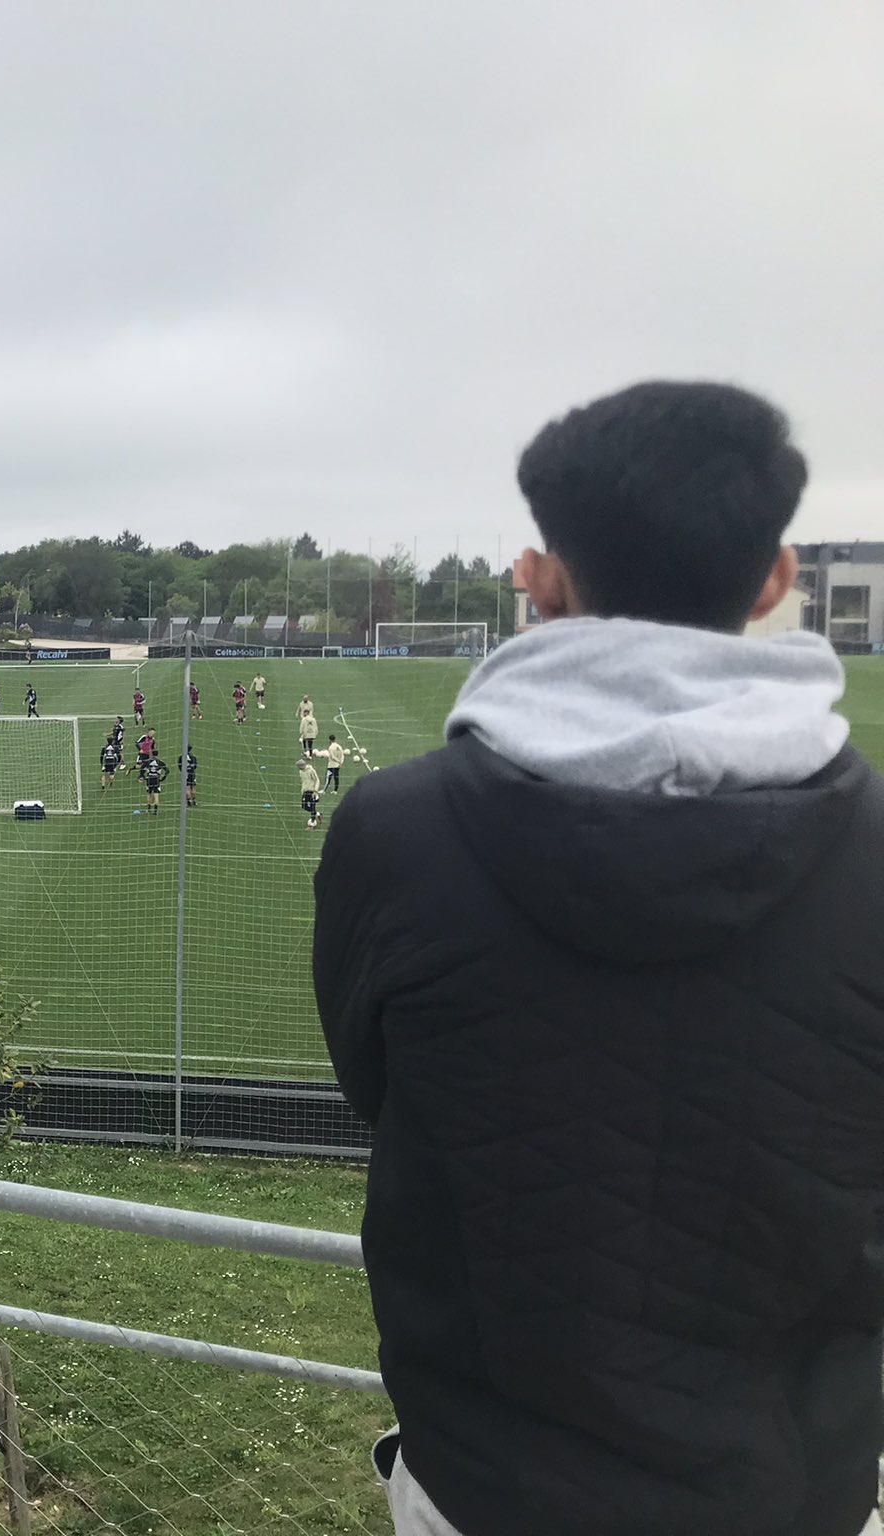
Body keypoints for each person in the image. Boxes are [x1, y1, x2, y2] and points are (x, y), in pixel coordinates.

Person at [313, 382, 884, 1536]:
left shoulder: (391, 835)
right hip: (795, 1496)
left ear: (542, 578)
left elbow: (368, 1088)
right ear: (775, 580)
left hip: (485, 1490)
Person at [297, 754, 323, 828]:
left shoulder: (311, 771)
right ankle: (317, 814)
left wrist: (315, 791)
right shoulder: (301, 772)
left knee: (312, 806)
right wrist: (302, 789)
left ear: (302, 765)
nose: (298, 768)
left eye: (299, 766)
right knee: (304, 806)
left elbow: (317, 780)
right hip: (305, 791)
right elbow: (304, 781)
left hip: (312, 791)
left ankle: (312, 824)